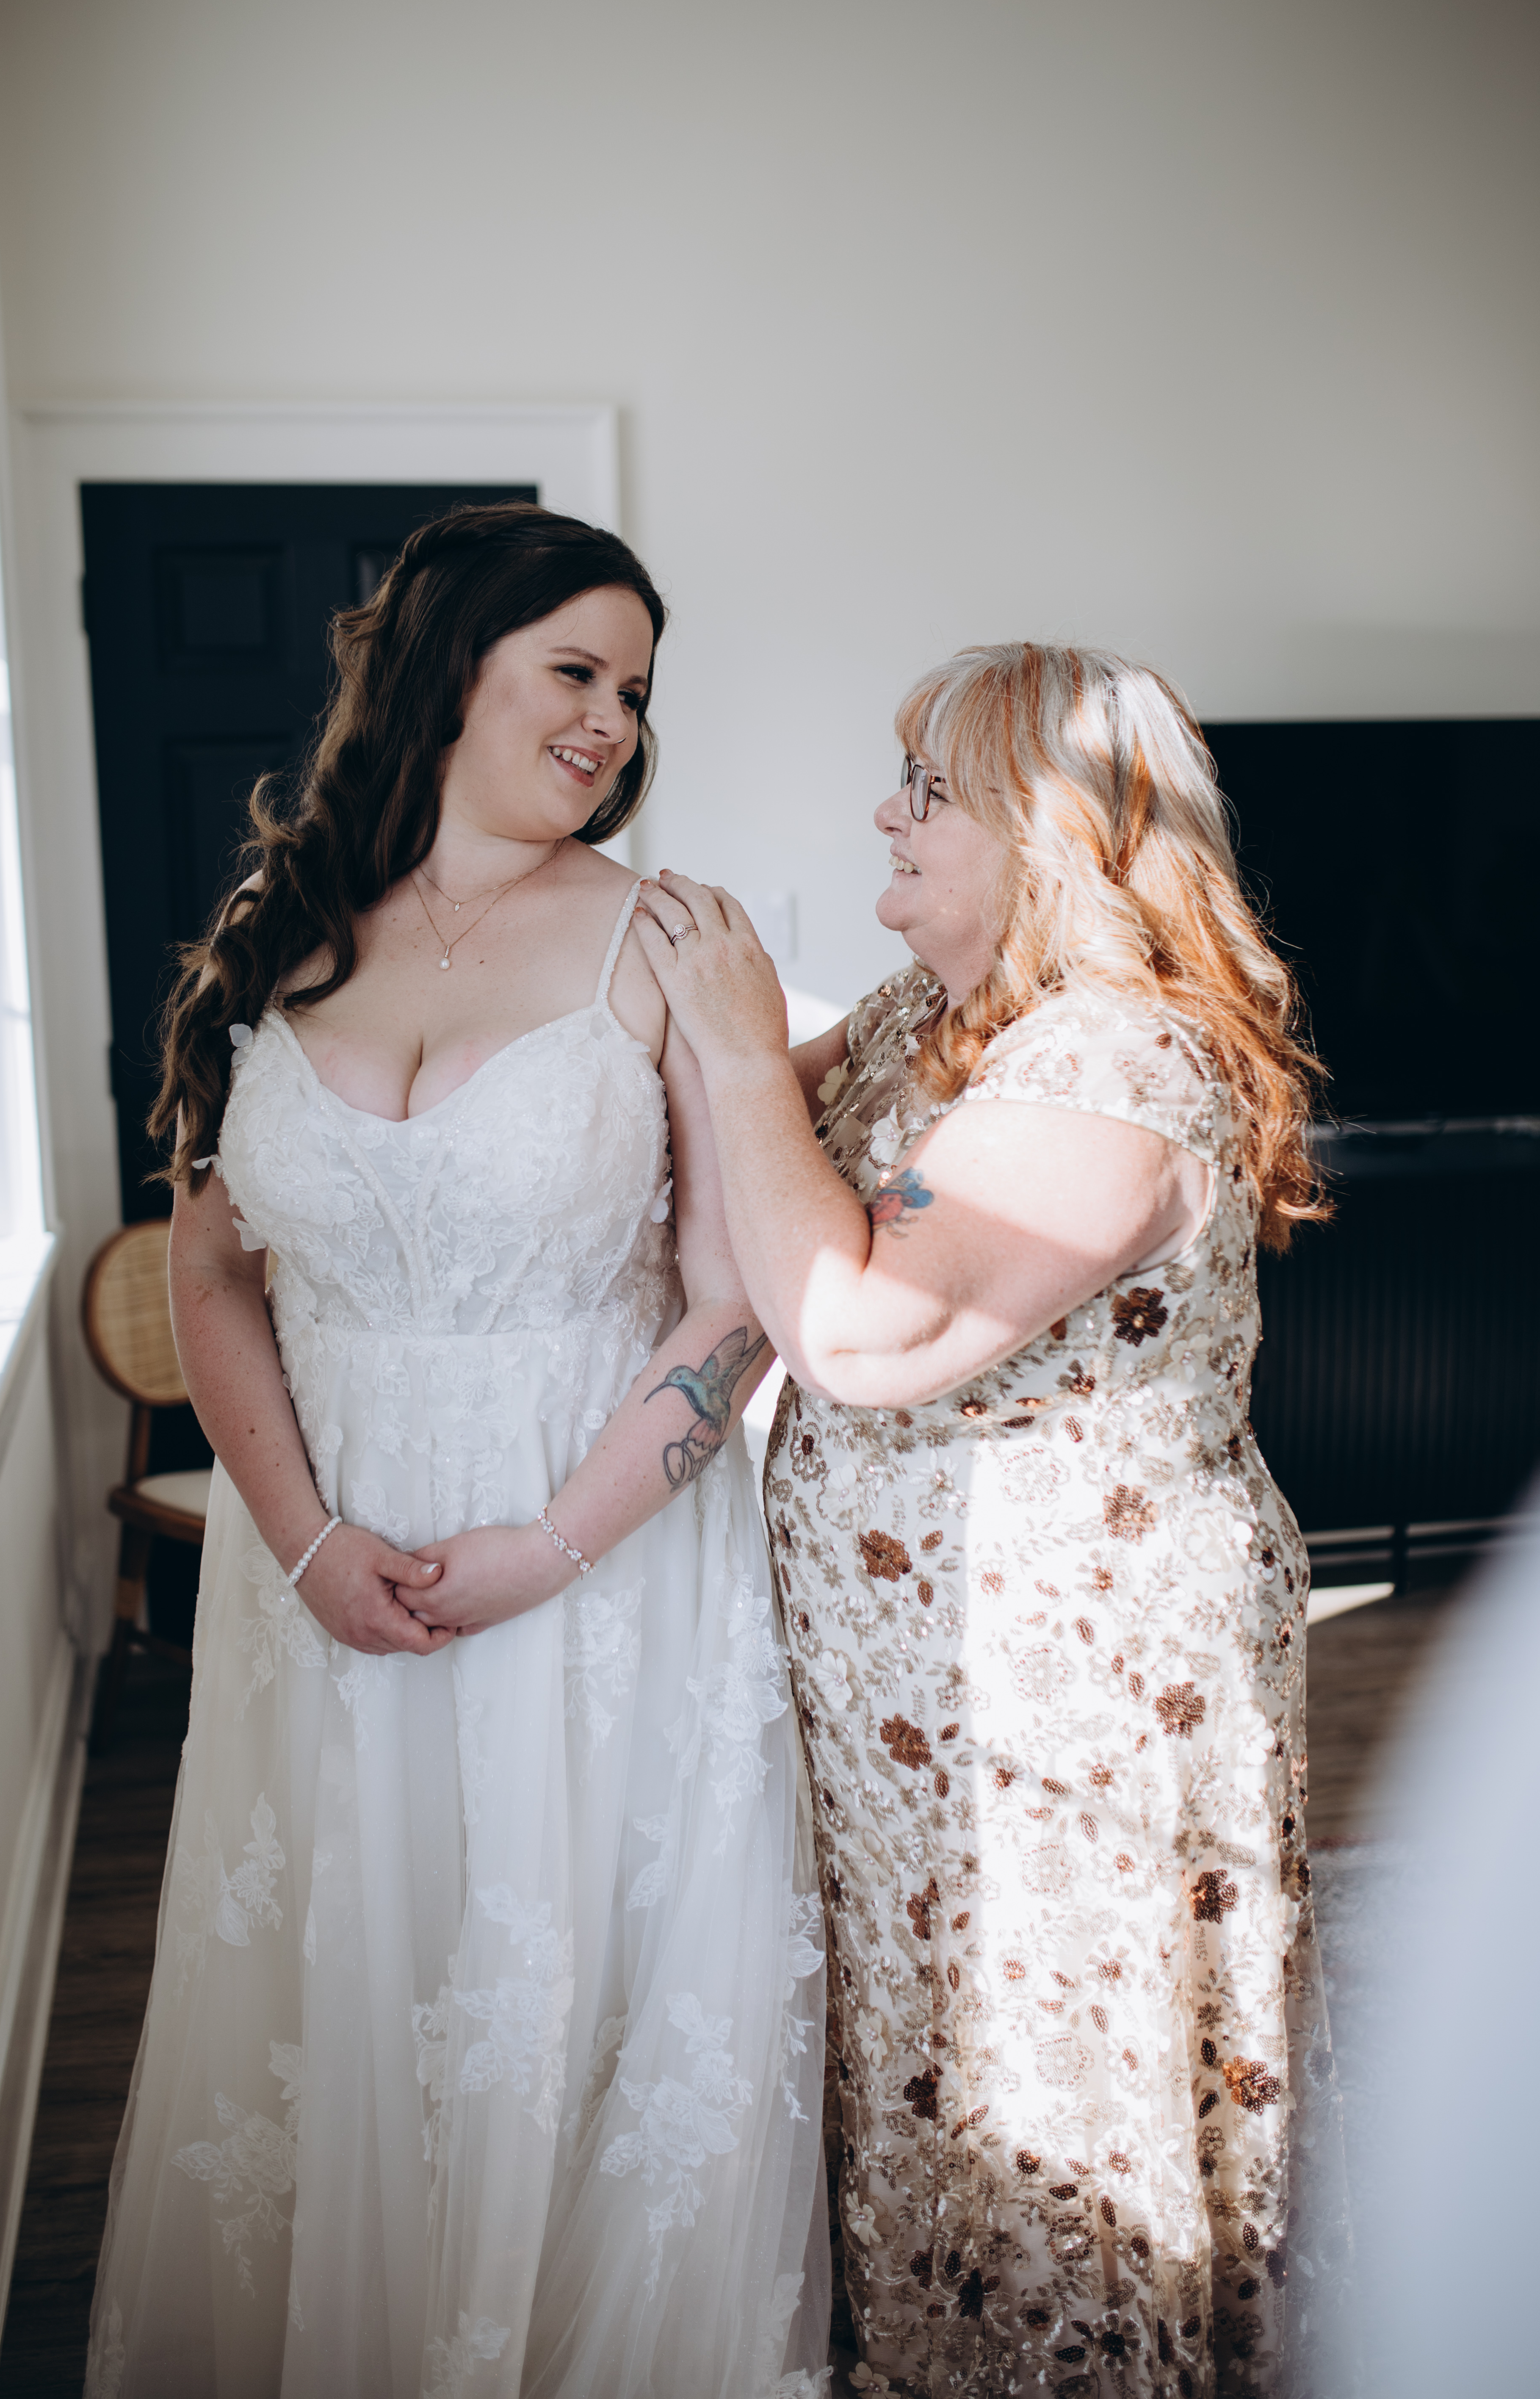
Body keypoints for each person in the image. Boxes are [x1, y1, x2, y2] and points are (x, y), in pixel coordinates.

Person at [85, 506, 829, 2399]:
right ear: (446, 666)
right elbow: (213, 1267)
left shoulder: (672, 941)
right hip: (323, 1565)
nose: (610, 723)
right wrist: (301, 1542)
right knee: (354, 1983)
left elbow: (732, 1304)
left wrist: (547, 1547)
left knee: (570, 1999)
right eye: (573, 670)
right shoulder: (282, 933)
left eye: (634, 691)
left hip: (603, 1567)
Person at [630, 643, 1352, 2397]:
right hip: (918, 1700)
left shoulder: (1115, 1061)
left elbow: (864, 1330)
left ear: (1055, 836)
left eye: (929, 789)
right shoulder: (933, 1017)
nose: (885, 815)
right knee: (937, 2059)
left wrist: (736, 1050)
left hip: (1071, 1700)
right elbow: (738, 1191)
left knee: (1055, 2085)